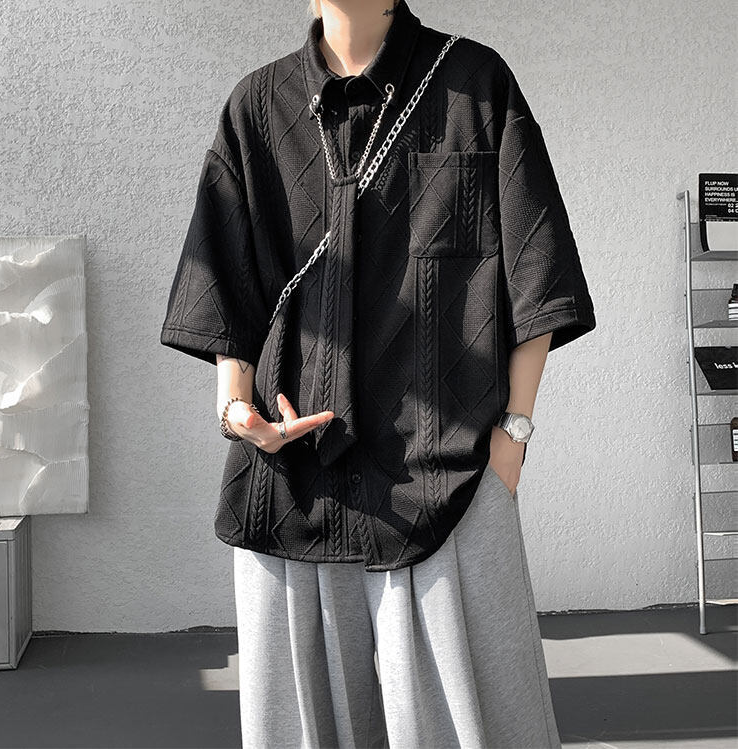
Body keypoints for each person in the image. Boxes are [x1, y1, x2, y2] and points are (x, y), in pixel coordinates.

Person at [160, 0, 597, 746]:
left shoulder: (474, 84)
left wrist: (512, 441)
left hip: (449, 478)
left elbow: (537, 273)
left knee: (478, 729)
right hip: (291, 483)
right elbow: (226, 290)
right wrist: (237, 412)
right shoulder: (257, 108)